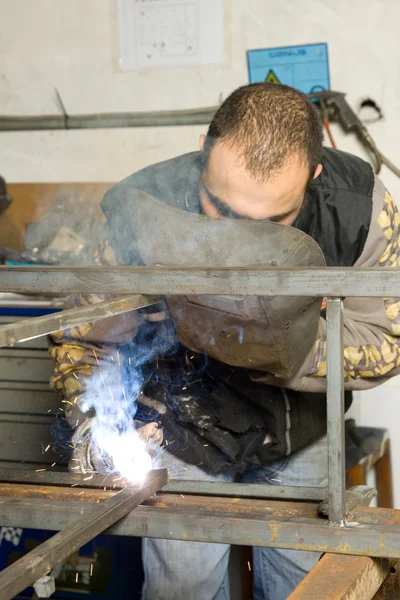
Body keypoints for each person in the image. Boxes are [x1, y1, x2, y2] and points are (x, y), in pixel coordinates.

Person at [50, 83, 400, 600]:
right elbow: (86, 330)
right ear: (203, 151)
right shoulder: (142, 206)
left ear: (314, 174)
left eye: (272, 223)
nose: (244, 239)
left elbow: (387, 337)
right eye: (221, 209)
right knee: (181, 587)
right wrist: (99, 420)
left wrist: (279, 346)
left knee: (303, 583)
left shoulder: (362, 209)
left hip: (298, 431)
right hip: (182, 432)